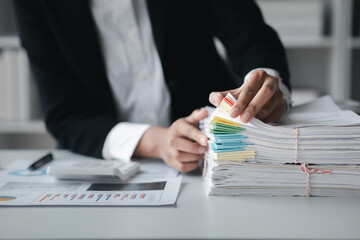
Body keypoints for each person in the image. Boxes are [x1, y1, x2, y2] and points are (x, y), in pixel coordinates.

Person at [13, 0, 291, 172]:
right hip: (105, 161)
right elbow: (64, 115)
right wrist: (156, 142)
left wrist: (264, 81)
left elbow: (250, 33)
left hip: (217, 156)